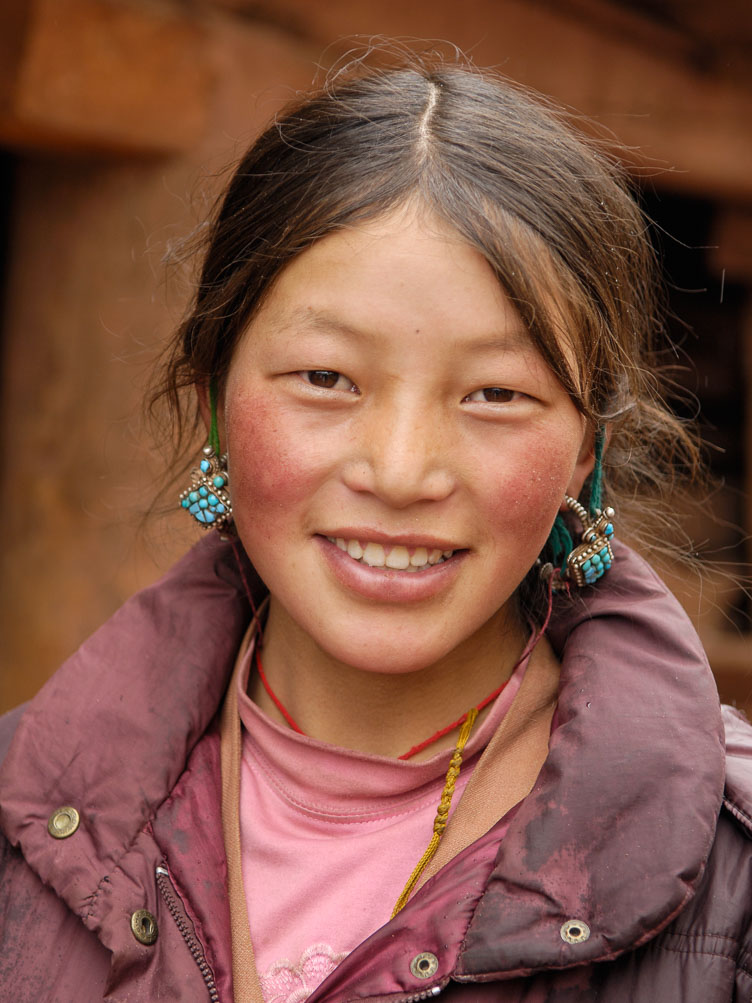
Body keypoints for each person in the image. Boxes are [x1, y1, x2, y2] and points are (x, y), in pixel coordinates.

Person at [1, 51, 751, 1003]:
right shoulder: (26, 813)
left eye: (496, 393)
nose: (400, 472)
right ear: (211, 406)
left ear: (584, 452)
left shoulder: (732, 881)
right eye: (325, 378)